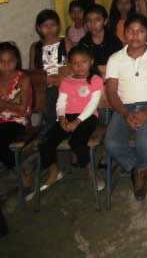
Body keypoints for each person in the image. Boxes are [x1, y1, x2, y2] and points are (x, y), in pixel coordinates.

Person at [104, 14, 147, 201]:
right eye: (130, 31)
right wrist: (125, 113)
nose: (135, 35)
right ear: (124, 33)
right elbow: (111, 92)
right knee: (111, 143)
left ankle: (138, 175)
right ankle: (143, 168)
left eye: (140, 31)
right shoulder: (115, 59)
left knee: (146, 144)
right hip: (124, 108)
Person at [36, 46, 102, 195]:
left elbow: (92, 105)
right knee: (46, 142)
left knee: (77, 142)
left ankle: (91, 170)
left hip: (87, 117)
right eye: (75, 63)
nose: (79, 66)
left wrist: (77, 122)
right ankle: (54, 172)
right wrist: (61, 118)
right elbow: (61, 102)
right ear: (70, 64)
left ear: (91, 62)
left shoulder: (95, 80)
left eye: (83, 62)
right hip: (67, 117)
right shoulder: (66, 81)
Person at [0, 42, 33, 191]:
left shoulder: (23, 79)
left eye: (10, 60)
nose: (6, 65)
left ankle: (21, 173)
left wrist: (3, 104)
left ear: (17, 60)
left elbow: (22, 109)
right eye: (2, 61)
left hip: (17, 121)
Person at [29, 10, 68, 129]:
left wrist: (59, 79)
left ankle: (54, 125)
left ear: (58, 26)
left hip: (63, 81)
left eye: (53, 25)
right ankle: (52, 125)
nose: (49, 29)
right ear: (38, 28)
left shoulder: (65, 42)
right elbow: (33, 72)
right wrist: (47, 80)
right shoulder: (35, 47)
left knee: (55, 93)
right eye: (45, 26)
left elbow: (72, 66)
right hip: (44, 82)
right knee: (46, 94)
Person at [79, 4, 123, 76]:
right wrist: (100, 69)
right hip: (91, 78)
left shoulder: (113, 40)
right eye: (89, 20)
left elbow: (119, 65)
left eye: (97, 20)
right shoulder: (83, 42)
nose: (92, 24)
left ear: (105, 21)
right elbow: (81, 67)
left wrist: (96, 68)